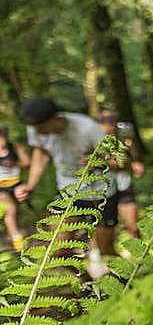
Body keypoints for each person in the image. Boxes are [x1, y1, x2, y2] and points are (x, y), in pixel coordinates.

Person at [16, 97, 115, 277]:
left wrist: (98, 160)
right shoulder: (35, 128)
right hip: (68, 192)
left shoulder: (88, 128)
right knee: (58, 252)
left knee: (106, 251)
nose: (36, 132)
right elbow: (41, 152)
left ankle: (129, 283)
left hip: (101, 193)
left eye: (41, 127)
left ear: (56, 118)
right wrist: (30, 185)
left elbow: (118, 160)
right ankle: (88, 284)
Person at [98, 110, 143, 243]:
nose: (112, 132)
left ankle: (137, 248)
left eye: (114, 128)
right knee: (102, 226)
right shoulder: (92, 135)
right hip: (102, 187)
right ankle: (100, 252)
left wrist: (136, 161)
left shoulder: (125, 129)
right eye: (108, 130)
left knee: (132, 225)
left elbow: (131, 146)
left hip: (123, 182)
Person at [0, 125, 31, 251]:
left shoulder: (14, 147)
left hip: (16, 184)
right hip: (1, 187)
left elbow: (27, 163)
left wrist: (15, 164)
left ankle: (12, 233)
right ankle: (17, 240)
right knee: (10, 209)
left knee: (16, 210)